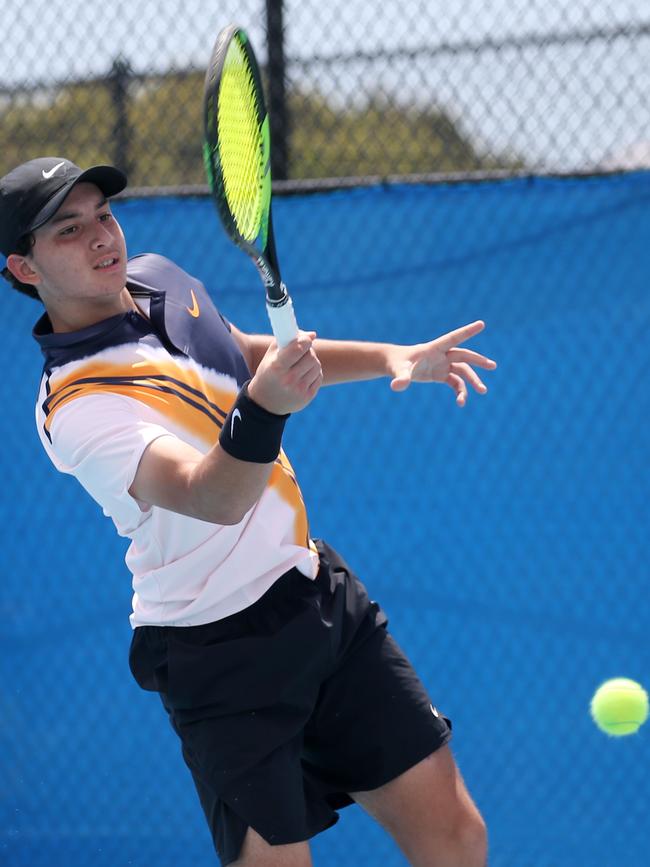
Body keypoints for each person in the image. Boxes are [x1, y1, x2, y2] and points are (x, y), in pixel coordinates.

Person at [1, 157, 496, 867]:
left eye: (103, 215)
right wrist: (265, 406)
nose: (101, 237)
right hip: (218, 651)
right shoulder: (78, 406)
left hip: (315, 596)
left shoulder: (163, 279)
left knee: (455, 836)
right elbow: (213, 494)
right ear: (24, 268)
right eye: (68, 231)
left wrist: (393, 354)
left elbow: (241, 353)